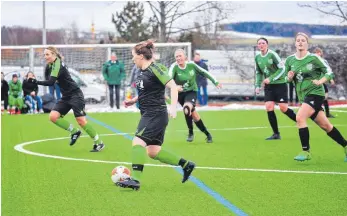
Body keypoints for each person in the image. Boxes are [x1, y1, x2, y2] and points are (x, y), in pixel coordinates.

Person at [115, 40, 196, 190]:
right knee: (153, 151)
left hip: (155, 113)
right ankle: (186, 164)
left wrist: (173, 107)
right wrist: (134, 100)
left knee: (137, 142)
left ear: (140, 56)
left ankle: (135, 180)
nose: (132, 59)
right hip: (150, 113)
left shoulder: (155, 68)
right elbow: (149, 91)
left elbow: (172, 86)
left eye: (133, 56)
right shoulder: (142, 72)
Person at [27, 46, 105, 152]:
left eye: (47, 54)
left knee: (81, 121)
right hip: (66, 96)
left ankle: (99, 143)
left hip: (75, 94)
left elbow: (50, 82)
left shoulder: (57, 64)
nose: (45, 57)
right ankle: (74, 132)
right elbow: (52, 80)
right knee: (53, 117)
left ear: (54, 54)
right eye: (44, 54)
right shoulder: (53, 64)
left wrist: (36, 81)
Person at [285, 32, 347, 162]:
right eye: (298, 40)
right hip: (304, 97)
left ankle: (306, 151)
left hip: (316, 94)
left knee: (300, 117)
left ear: (307, 44)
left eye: (303, 40)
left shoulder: (314, 58)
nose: (300, 42)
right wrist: (289, 77)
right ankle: (345, 145)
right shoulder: (290, 60)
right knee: (326, 126)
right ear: (295, 43)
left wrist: (321, 81)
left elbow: (329, 72)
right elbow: (287, 79)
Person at [169, 49, 222, 143]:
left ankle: (190, 133)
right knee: (194, 115)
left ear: (185, 57)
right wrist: (175, 86)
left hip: (192, 91)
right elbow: (168, 79)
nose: (178, 58)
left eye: (180, 56)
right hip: (180, 95)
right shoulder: (174, 67)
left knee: (186, 108)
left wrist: (215, 81)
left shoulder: (191, 65)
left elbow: (204, 72)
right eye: (176, 56)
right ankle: (207, 134)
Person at [255, 37, 297, 140]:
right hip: (269, 86)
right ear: (257, 45)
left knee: (283, 108)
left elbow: (282, 69)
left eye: (263, 43)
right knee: (269, 107)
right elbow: (259, 73)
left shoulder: (273, 54)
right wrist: (257, 85)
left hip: (280, 84)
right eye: (259, 43)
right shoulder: (257, 57)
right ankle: (276, 134)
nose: (261, 45)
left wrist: (271, 78)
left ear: (267, 45)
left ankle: (299, 119)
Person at [313, 47, 336, 118]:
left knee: (323, 97)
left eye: (318, 52)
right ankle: (321, 112)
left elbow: (328, 71)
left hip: (321, 81)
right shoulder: (312, 61)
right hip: (316, 81)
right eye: (316, 52)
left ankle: (324, 113)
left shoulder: (323, 61)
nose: (317, 53)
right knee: (322, 97)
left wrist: (331, 79)